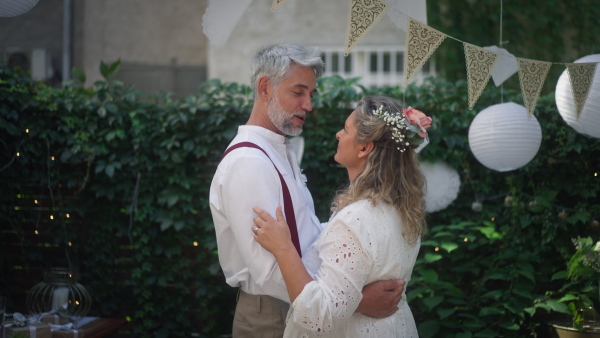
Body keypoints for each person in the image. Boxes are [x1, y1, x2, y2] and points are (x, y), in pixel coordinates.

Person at [209, 44, 405, 337]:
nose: (309, 105)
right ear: (265, 88)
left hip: (300, 305)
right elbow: (269, 270)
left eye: (311, 94)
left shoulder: (276, 151)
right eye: (298, 92)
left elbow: (306, 236)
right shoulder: (248, 162)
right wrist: (357, 301)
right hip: (273, 314)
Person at [251, 95, 430, 337]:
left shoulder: (355, 219)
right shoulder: (404, 210)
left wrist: (283, 248)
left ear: (365, 148)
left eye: (346, 130)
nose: (338, 134)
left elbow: (319, 316)